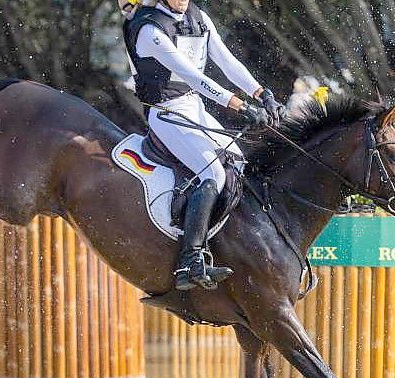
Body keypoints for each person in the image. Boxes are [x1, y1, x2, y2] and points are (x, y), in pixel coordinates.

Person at [120, 0, 287, 290]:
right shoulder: (149, 28)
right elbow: (193, 76)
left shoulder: (198, 17)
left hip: (193, 106)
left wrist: (262, 93)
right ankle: (190, 259)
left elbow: (226, 61)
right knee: (214, 174)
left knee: (238, 164)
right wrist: (240, 105)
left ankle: (228, 245)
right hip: (165, 111)